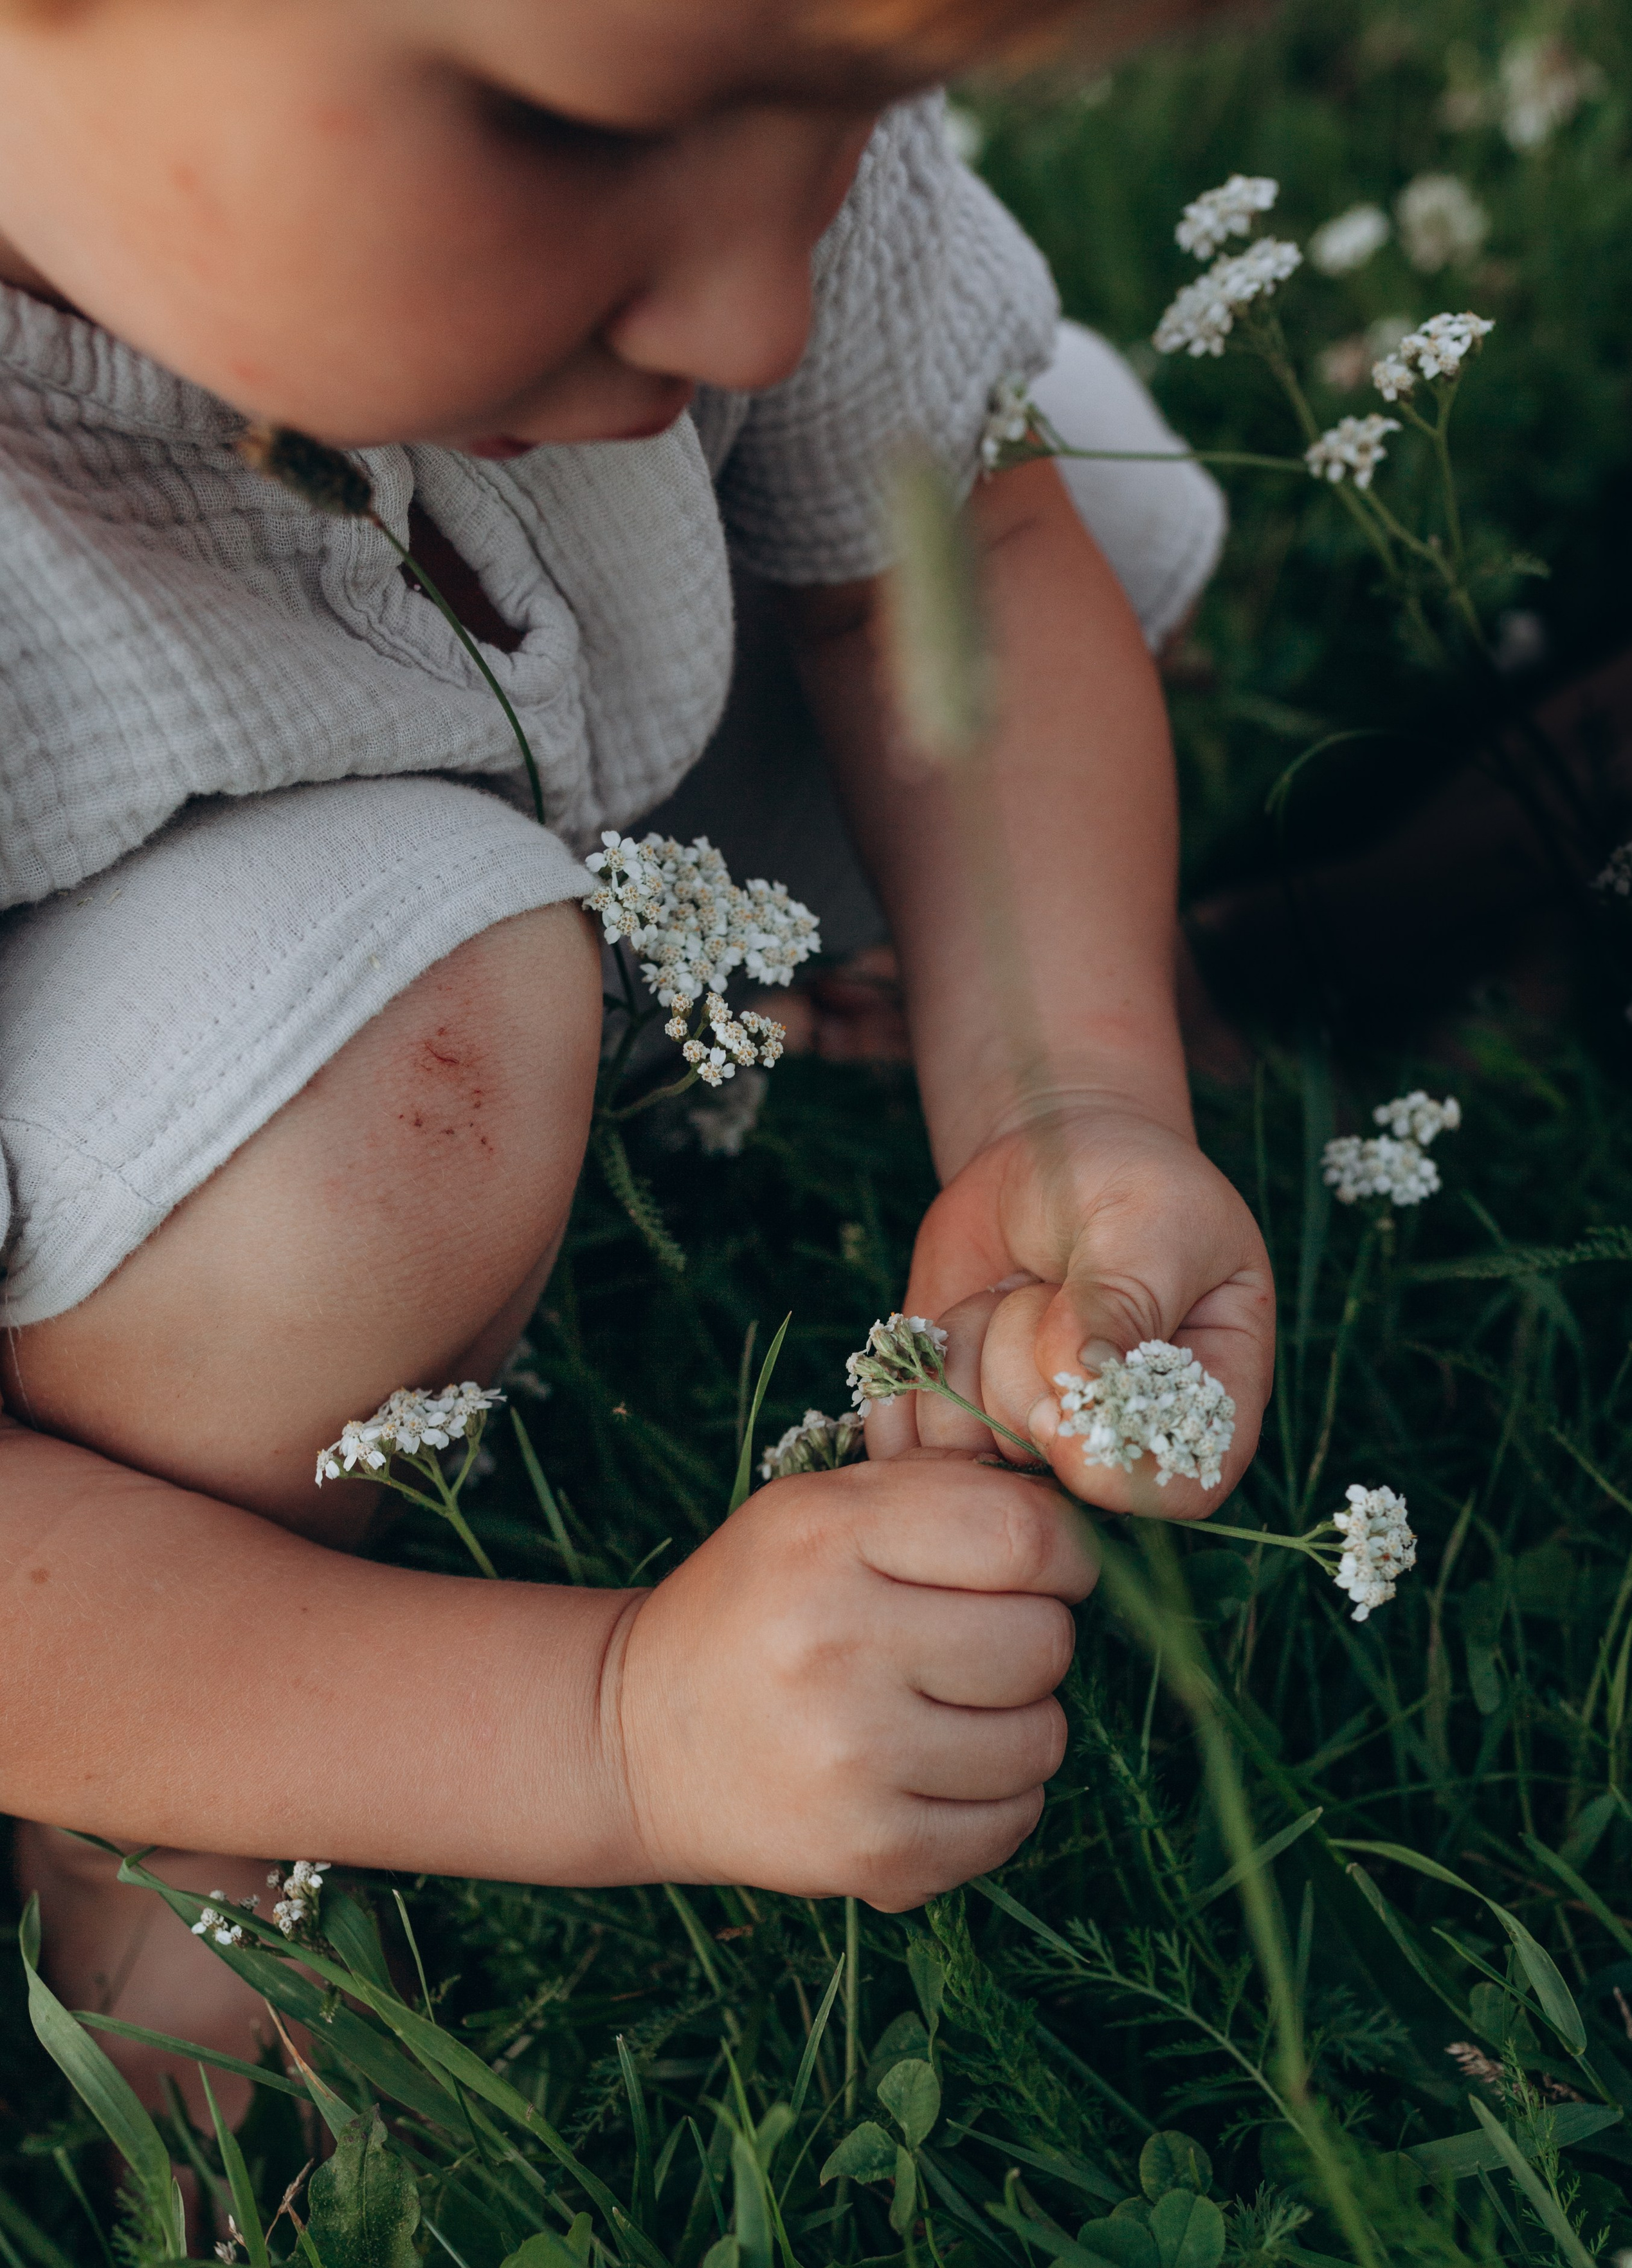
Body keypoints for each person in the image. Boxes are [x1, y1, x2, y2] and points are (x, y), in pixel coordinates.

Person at [0, 0, 1273, 2118]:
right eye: (558, 129)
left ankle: (738, 1038)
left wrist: (1071, 1099)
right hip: (187, 1159)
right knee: (400, 1083)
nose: (756, 308)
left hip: (552, 740)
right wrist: (615, 1723)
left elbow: (942, 556)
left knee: (1060, 468)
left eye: (843, 112)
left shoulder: (694, 174)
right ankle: (156, 1812)